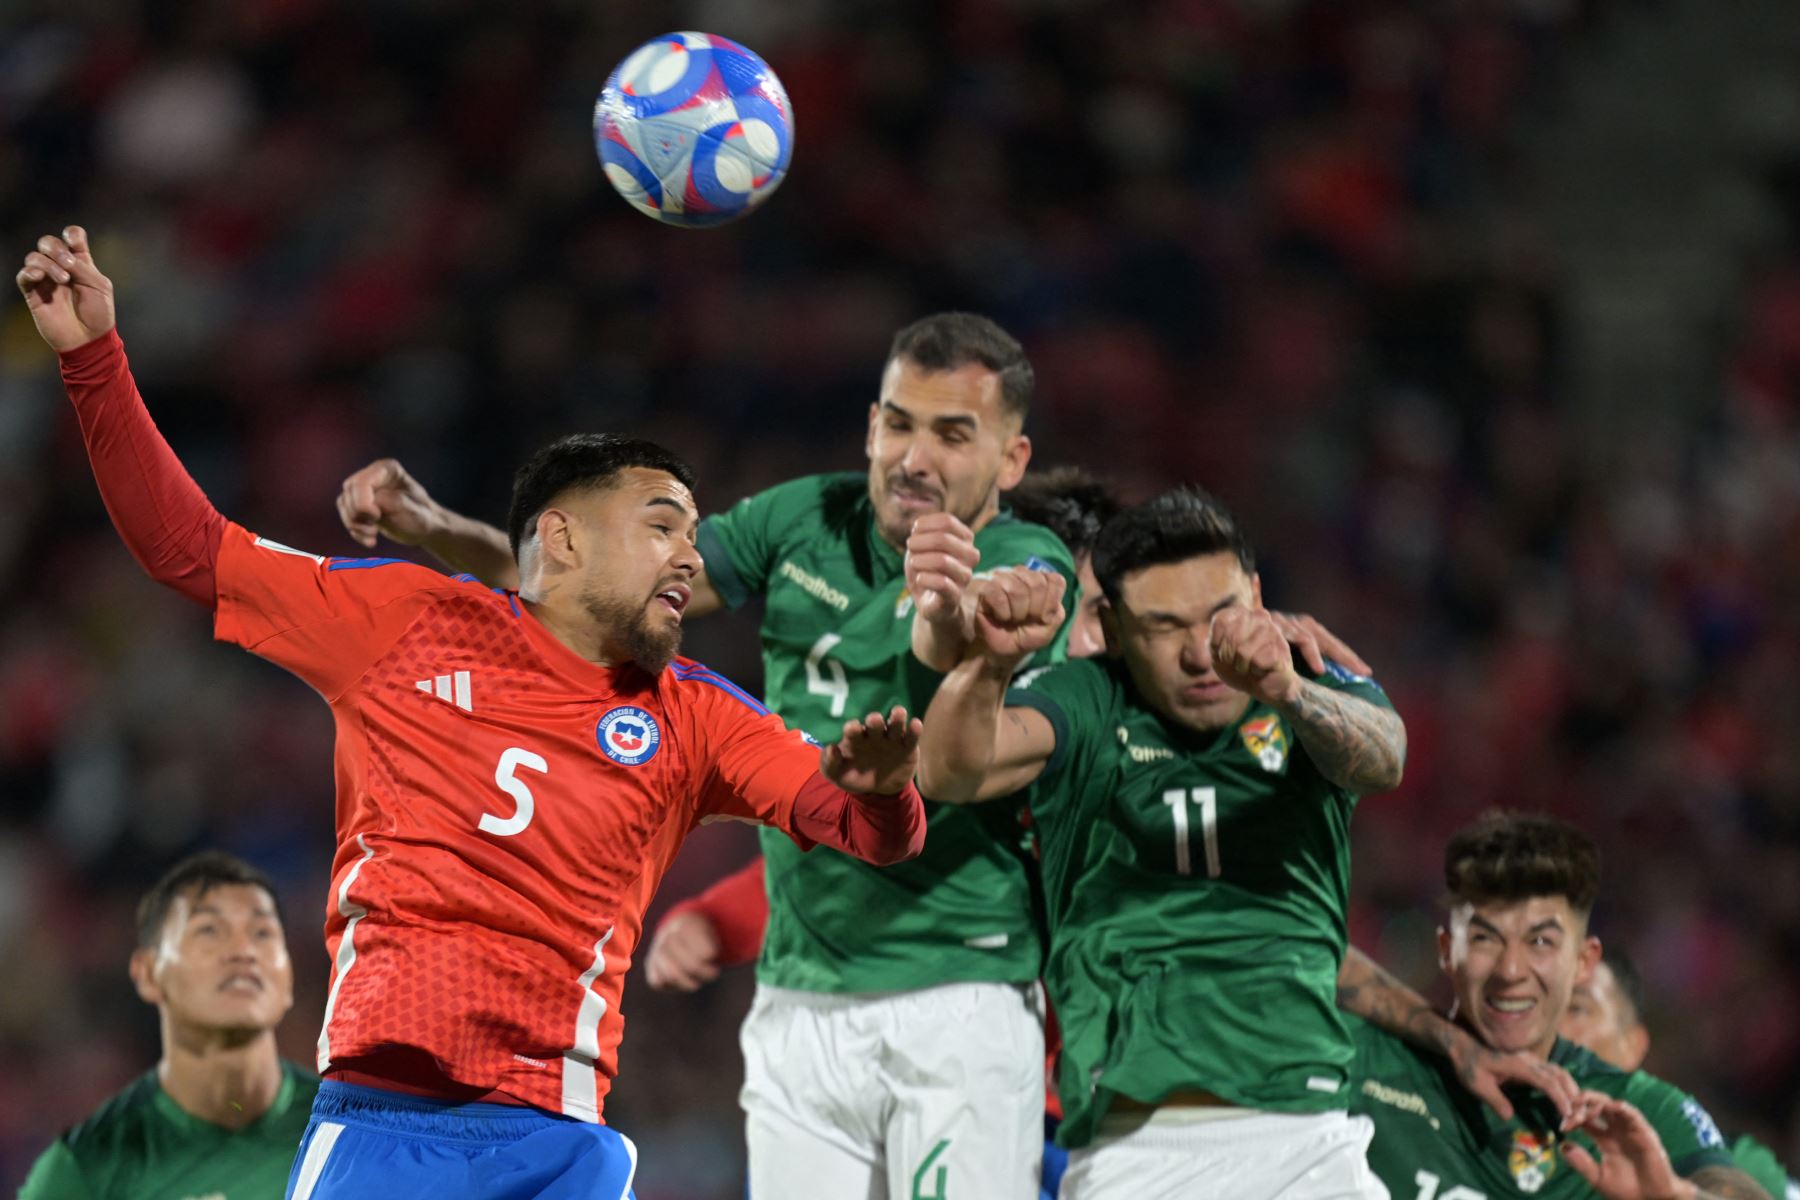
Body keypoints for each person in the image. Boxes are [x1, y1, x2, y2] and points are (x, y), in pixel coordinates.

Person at [17, 225, 927, 1199]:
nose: (688, 561)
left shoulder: (698, 717)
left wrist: (883, 795)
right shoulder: (404, 620)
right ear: (563, 540)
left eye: (694, 539)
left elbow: (874, 836)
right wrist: (92, 358)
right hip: (381, 1121)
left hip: (558, 1139)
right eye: (661, 526)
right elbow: (188, 549)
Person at [335, 313, 1084, 1198]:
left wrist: (961, 622)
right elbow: (590, 598)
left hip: (961, 982)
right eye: (898, 421)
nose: (914, 457)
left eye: (953, 434)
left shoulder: (1026, 569)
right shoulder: (802, 518)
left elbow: (960, 729)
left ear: (1011, 462)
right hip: (800, 993)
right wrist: (433, 526)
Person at [916, 486, 1410, 1199]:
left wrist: (1290, 693)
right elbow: (951, 769)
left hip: (1312, 1137)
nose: (1200, 653)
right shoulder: (1085, 699)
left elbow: (1385, 758)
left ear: (1258, 594)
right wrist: (988, 666)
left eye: (1221, 616)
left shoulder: (1305, 675)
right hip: (1140, 1150)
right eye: (1164, 627)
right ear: (1114, 631)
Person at [1348, 811, 1772, 1200]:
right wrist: (1446, 1040)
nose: (1511, 969)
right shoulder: (1366, 1057)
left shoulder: (1636, 1112)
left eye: (1540, 942)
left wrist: (1678, 1196)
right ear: (1446, 951)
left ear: (1583, 962)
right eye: (1484, 938)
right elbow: (1295, 953)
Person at [19, 853, 317, 1200]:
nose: (242, 952)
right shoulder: (88, 1167)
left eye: (262, 932)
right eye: (209, 932)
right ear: (148, 973)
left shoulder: (347, 1133)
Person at [1561, 948, 1799, 1200]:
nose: (1552, 1028)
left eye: (1576, 1009)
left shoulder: (1739, 1161)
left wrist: (1681, 1194)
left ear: (1633, 1047)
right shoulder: (1523, 1145)